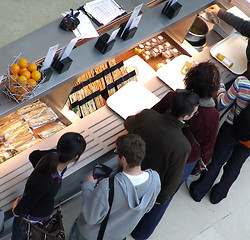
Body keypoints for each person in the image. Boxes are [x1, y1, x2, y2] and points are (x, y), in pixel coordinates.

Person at [187, 46, 250, 205]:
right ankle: (217, 196)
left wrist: (219, 85)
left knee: (217, 160)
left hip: (232, 129)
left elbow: (223, 102)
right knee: (235, 165)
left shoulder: (243, 82)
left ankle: (198, 191)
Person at [124, 90, 199, 239]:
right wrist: (161, 198)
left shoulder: (147, 116)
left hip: (126, 171)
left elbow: (128, 123)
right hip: (146, 186)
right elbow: (173, 177)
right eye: (194, 113)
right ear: (185, 117)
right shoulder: (182, 146)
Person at [69, 134, 161, 240]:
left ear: (124, 159)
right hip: (118, 235)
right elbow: (148, 208)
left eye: (116, 153)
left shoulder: (107, 187)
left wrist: (88, 186)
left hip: (91, 235)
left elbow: (90, 217)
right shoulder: (155, 179)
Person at [153, 61, 220, 183]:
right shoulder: (213, 115)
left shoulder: (172, 97)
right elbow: (208, 144)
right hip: (186, 159)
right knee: (167, 191)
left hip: (160, 148)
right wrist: (204, 161)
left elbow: (153, 115)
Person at [11, 132, 86, 240]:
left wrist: (41, 167)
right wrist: (16, 211)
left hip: (39, 214)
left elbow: (33, 155)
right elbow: (28, 202)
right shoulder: (47, 180)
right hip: (31, 220)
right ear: (75, 157)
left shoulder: (51, 157)